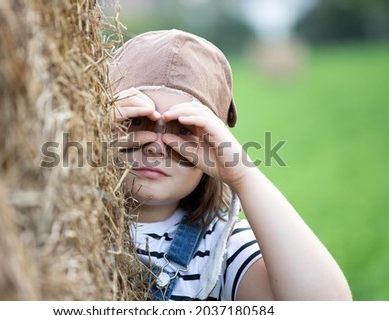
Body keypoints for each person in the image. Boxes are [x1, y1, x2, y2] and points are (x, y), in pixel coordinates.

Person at [109, 29, 352, 301]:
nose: (155, 145)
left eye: (184, 130)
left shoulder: (223, 247)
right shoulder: (61, 215)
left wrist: (243, 176)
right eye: (136, 121)